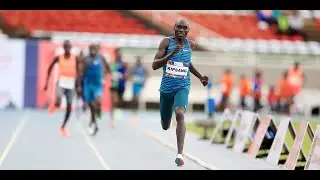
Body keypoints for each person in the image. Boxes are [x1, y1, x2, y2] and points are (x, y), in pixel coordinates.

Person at [152, 19, 208, 166]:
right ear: (174, 28)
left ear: (188, 30)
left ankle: (180, 154)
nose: (181, 30)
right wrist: (170, 55)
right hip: (166, 88)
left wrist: (200, 77)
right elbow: (154, 65)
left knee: (180, 113)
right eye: (179, 27)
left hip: (183, 86)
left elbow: (187, 63)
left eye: (184, 28)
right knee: (165, 125)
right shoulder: (166, 43)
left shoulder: (191, 45)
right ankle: (167, 117)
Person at [44, 40, 80, 137]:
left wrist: (78, 86)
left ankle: (63, 127)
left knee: (69, 108)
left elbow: (78, 72)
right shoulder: (58, 58)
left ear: (71, 48)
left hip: (71, 84)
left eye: (69, 47)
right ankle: (54, 105)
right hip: (61, 82)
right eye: (66, 47)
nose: (67, 49)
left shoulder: (75, 58)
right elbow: (50, 68)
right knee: (58, 101)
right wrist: (46, 83)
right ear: (63, 48)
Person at [80, 44, 110, 136]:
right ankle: (93, 122)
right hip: (88, 85)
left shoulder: (101, 58)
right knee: (92, 105)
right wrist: (80, 86)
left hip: (97, 85)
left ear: (97, 50)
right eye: (91, 49)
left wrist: (104, 77)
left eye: (95, 49)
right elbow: (82, 73)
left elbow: (108, 69)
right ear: (89, 50)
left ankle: (97, 113)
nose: (93, 51)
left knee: (98, 101)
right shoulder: (86, 59)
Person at [110, 48, 128, 127]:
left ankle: (118, 112)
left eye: (120, 54)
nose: (119, 55)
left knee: (120, 101)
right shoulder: (112, 63)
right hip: (114, 85)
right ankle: (112, 119)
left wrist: (122, 76)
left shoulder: (124, 64)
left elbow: (127, 74)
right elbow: (109, 72)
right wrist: (113, 76)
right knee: (114, 101)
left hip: (121, 85)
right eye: (117, 54)